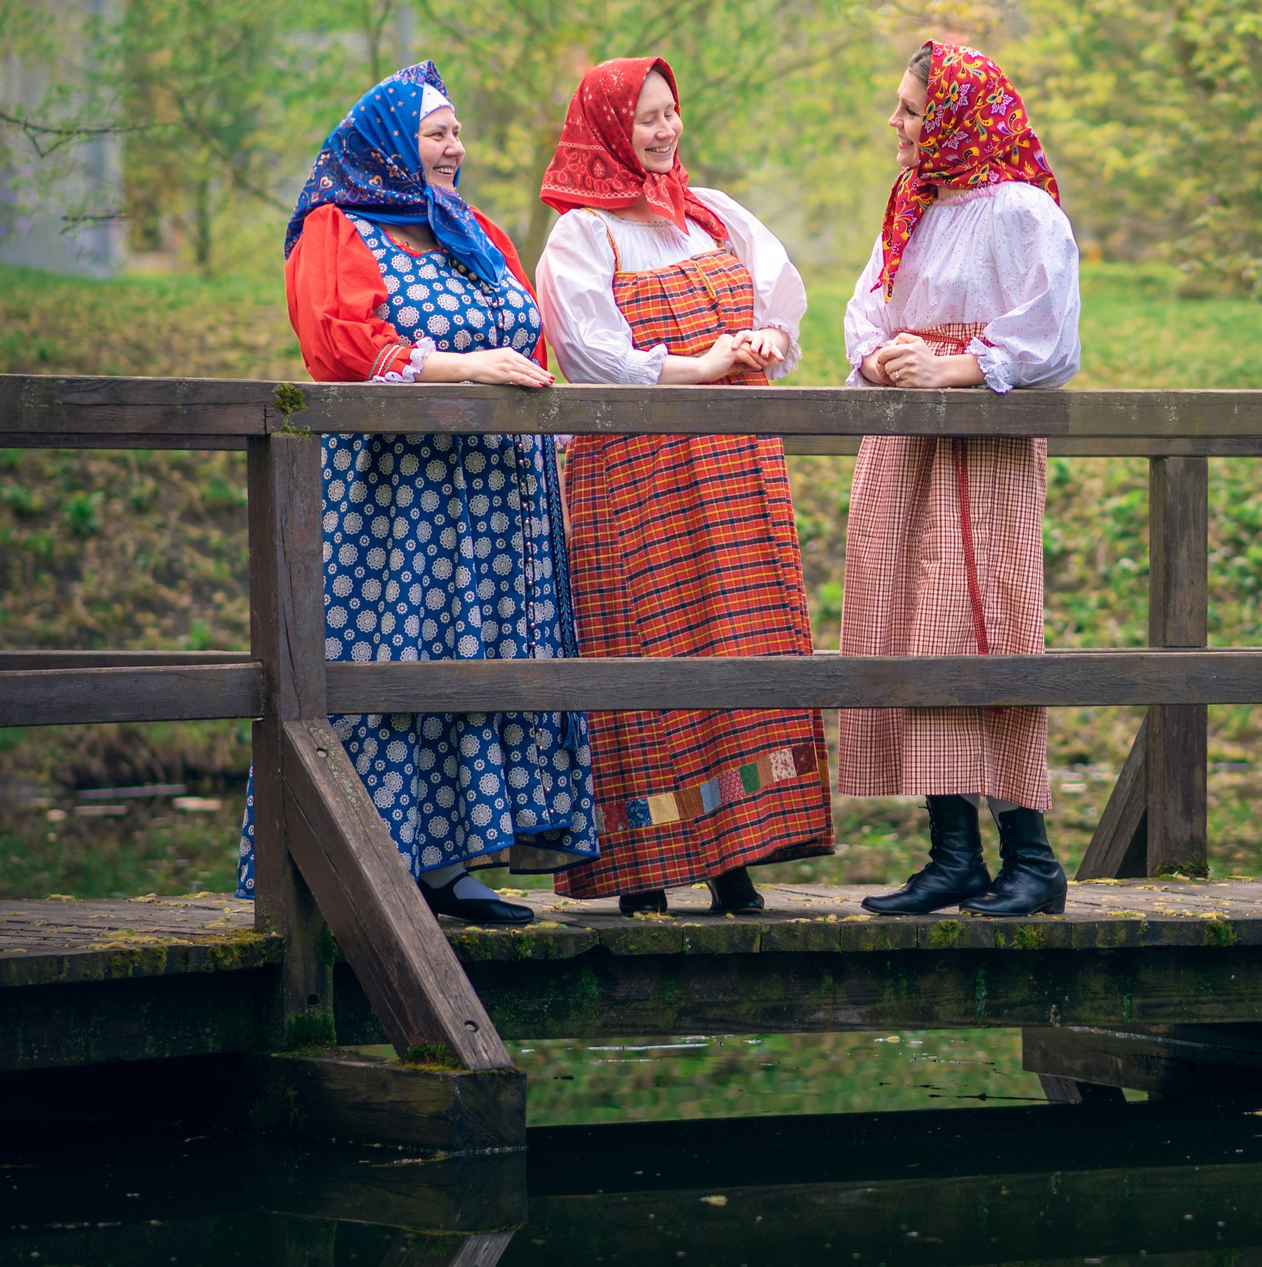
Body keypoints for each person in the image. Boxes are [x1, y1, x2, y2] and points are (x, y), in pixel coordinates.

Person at [239, 60, 595, 929]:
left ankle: (453, 862)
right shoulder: (338, 228)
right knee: (396, 658)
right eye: (436, 133)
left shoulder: (475, 231)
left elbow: (527, 338)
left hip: (497, 497)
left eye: (457, 132)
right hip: (400, 499)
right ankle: (362, 860)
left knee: (477, 661)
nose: (454, 147)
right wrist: (461, 366)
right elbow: (339, 345)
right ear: (391, 143)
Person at [535, 56, 832, 916]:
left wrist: (768, 341)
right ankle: (645, 866)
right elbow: (591, 356)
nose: (665, 131)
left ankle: (736, 854)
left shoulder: (713, 214)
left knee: (736, 640)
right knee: (644, 649)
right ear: (607, 130)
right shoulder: (584, 236)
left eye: (671, 113)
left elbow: (779, 295)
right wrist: (702, 364)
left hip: (733, 470)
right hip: (638, 474)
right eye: (646, 119)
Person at [842, 41, 1081, 917]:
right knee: (911, 623)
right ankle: (953, 854)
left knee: (988, 622)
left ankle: (1033, 857)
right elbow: (867, 308)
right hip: (909, 443)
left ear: (953, 117)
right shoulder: (913, 201)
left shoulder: (1020, 210)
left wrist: (955, 367)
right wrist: (881, 359)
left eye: (911, 109)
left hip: (984, 441)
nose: (896, 123)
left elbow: (1050, 336)